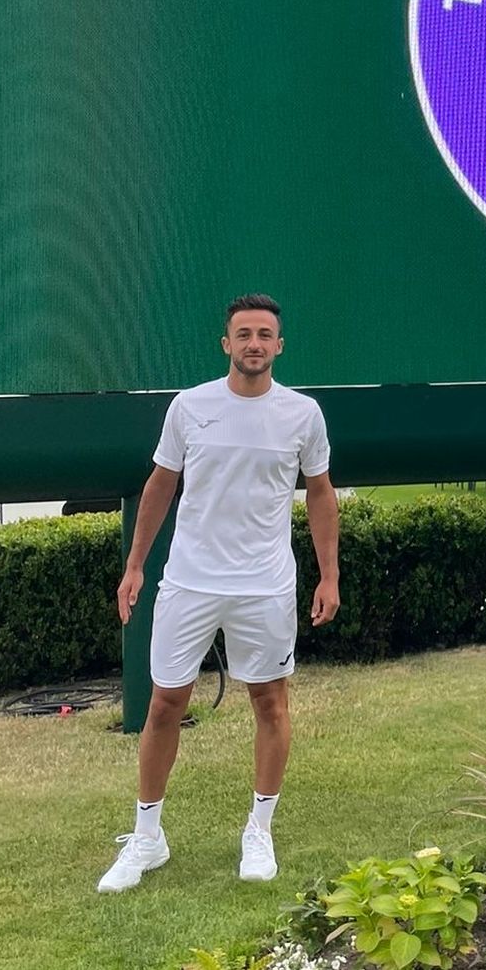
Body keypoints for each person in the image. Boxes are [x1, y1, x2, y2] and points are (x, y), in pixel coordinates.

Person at [98, 293, 340, 893]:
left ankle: (258, 830)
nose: (254, 343)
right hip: (189, 581)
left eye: (265, 334)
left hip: (265, 587)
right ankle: (147, 839)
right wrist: (135, 566)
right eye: (243, 334)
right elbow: (160, 484)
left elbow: (320, 493)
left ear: (278, 346)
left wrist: (329, 575)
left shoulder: (303, 415)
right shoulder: (189, 407)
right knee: (163, 705)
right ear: (226, 344)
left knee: (271, 704)